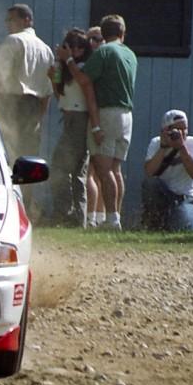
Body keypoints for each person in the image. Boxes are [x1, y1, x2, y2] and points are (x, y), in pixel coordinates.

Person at [58, 15, 137, 231]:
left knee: (103, 169)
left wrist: (69, 61)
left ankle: (111, 220)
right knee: (116, 169)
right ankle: (113, 216)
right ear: (123, 32)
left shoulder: (104, 51)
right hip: (126, 114)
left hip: (107, 113)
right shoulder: (130, 54)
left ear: (103, 33)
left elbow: (83, 79)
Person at [0, 3, 55, 219]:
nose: (8, 25)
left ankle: (6, 203)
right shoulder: (46, 49)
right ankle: (26, 206)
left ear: (26, 20)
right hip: (34, 106)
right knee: (28, 160)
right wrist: (40, 115)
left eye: (12, 20)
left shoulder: (14, 41)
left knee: (5, 155)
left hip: (12, 102)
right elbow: (48, 90)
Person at [47, 28, 93, 227]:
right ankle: (72, 215)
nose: (75, 51)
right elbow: (61, 96)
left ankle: (67, 213)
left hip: (80, 119)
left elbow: (82, 80)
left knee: (62, 167)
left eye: (79, 47)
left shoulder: (82, 66)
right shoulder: (67, 67)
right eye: (70, 46)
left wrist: (67, 60)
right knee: (73, 171)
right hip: (69, 118)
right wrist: (53, 77)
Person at [142, 110, 193, 231]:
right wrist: (163, 148)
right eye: (177, 129)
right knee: (150, 184)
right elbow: (149, 172)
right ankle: (156, 222)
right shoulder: (156, 143)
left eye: (184, 129)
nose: (182, 133)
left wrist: (181, 147)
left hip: (186, 197)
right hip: (165, 195)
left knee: (185, 230)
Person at [85, 26, 105, 226]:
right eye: (89, 39)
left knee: (94, 170)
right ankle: (98, 216)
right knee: (99, 170)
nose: (92, 43)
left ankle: (92, 217)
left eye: (97, 39)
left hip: (96, 119)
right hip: (99, 119)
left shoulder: (96, 63)